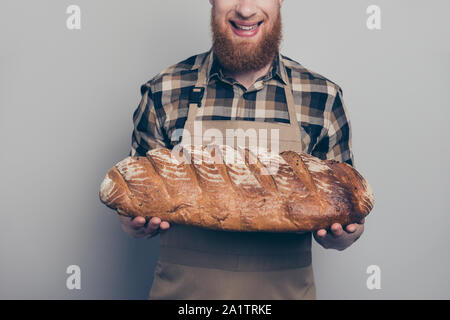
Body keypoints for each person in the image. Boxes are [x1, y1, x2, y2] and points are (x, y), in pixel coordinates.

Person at [118, 0, 365, 299]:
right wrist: (132, 223)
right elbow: (136, 197)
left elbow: (344, 207)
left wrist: (342, 236)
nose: (246, 10)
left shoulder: (322, 99)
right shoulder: (163, 91)